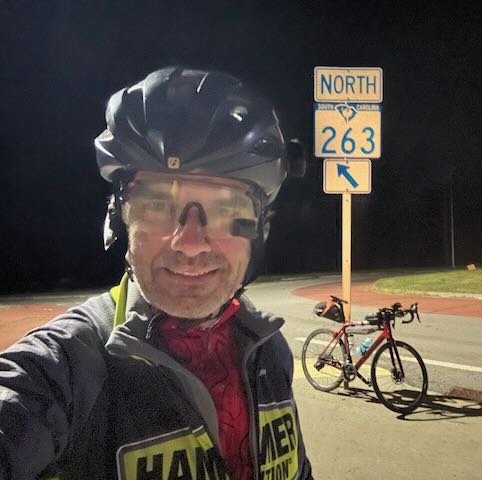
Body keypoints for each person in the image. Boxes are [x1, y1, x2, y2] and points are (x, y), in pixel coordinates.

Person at [0, 66, 312, 480]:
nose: (190, 243)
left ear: (260, 230)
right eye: (157, 205)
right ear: (120, 220)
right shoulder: (68, 369)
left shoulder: (267, 350)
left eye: (225, 208)